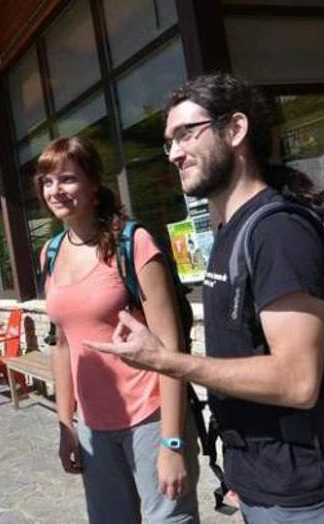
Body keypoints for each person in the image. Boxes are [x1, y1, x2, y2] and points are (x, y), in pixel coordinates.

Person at [87, 74, 324, 523]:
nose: (175, 153)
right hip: (262, 485)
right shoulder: (231, 230)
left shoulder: (278, 232)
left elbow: (297, 380)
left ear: (236, 129)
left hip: (306, 496)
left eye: (186, 133)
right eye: (169, 142)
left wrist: (165, 360)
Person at [37, 137, 200, 524]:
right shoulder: (51, 253)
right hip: (94, 426)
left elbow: (169, 346)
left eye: (68, 179)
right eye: (47, 181)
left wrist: (172, 443)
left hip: (151, 416)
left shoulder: (133, 243)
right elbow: (62, 343)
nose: (56, 190)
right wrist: (67, 425)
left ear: (94, 184)